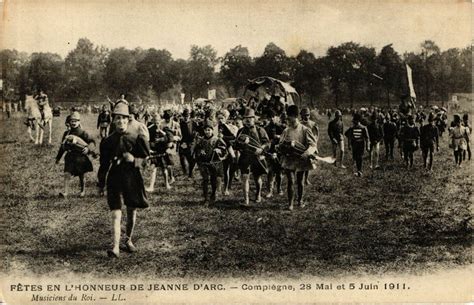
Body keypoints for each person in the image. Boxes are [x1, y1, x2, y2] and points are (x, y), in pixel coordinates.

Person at [97, 103, 150, 258]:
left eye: (123, 119)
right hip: (114, 178)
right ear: (113, 121)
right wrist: (101, 184)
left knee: (131, 211)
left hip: (132, 177)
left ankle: (128, 240)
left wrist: (134, 159)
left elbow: (147, 160)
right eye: (117, 119)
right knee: (115, 213)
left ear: (128, 120)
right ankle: (115, 247)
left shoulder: (136, 138)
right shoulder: (107, 141)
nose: (121, 122)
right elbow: (104, 165)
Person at [278, 105, 317, 210]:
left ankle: (300, 200)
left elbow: (313, 145)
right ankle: (290, 203)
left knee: (300, 181)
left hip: (301, 159)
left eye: (289, 117)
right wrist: (283, 146)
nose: (287, 120)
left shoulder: (305, 130)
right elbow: (280, 144)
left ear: (295, 116)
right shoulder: (286, 130)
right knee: (290, 180)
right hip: (289, 159)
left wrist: (307, 152)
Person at [234, 108, 270, 206]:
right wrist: (242, 144)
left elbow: (267, 143)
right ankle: (246, 200)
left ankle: (258, 194)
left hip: (257, 157)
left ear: (254, 119)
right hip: (245, 157)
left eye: (250, 118)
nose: (248, 120)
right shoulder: (241, 131)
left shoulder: (260, 130)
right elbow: (236, 145)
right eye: (246, 118)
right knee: (245, 177)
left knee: (257, 178)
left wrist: (261, 149)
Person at [55, 112, 95, 198]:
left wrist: (88, 149)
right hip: (70, 157)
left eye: (75, 121)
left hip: (80, 157)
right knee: (67, 173)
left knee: (81, 175)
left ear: (79, 122)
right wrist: (58, 158)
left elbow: (92, 142)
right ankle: (65, 192)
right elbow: (62, 146)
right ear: (69, 122)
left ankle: (83, 191)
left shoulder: (83, 133)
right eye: (72, 121)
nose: (73, 123)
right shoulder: (66, 133)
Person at [194, 120, 227, 205]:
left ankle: (213, 195)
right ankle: (206, 197)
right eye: (205, 130)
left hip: (215, 163)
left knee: (214, 179)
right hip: (204, 163)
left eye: (209, 130)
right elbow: (196, 149)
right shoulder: (201, 140)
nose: (207, 132)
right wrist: (200, 151)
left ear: (212, 130)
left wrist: (219, 150)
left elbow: (224, 149)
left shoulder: (216, 140)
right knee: (205, 180)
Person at [216, 109, 238, 195]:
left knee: (226, 170)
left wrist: (224, 137)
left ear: (225, 119)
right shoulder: (215, 127)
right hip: (216, 150)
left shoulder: (227, 127)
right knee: (217, 171)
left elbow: (233, 137)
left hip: (226, 150)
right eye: (219, 118)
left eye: (222, 118)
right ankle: (218, 189)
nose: (220, 120)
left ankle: (226, 189)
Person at [263, 109, 285, 198]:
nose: (272, 119)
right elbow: (264, 139)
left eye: (273, 117)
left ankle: (279, 188)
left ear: (276, 117)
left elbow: (285, 137)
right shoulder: (265, 129)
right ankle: (270, 191)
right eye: (269, 117)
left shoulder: (281, 127)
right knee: (270, 172)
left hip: (279, 152)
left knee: (279, 172)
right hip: (270, 152)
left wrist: (279, 137)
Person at [299, 107, 319, 185]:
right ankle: (300, 178)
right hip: (301, 144)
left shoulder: (313, 124)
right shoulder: (299, 124)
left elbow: (316, 135)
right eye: (304, 115)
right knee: (300, 161)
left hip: (309, 145)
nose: (306, 117)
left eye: (307, 115)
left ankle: (306, 179)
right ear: (301, 115)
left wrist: (314, 145)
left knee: (309, 162)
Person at [179, 108, 197, 178]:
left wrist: (195, 135)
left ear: (189, 116)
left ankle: (190, 173)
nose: (186, 118)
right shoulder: (181, 123)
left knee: (191, 158)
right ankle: (185, 171)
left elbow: (197, 131)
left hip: (191, 142)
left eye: (187, 116)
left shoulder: (193, 123)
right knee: (182, 156)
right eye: (185, 116)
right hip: (184, 141)